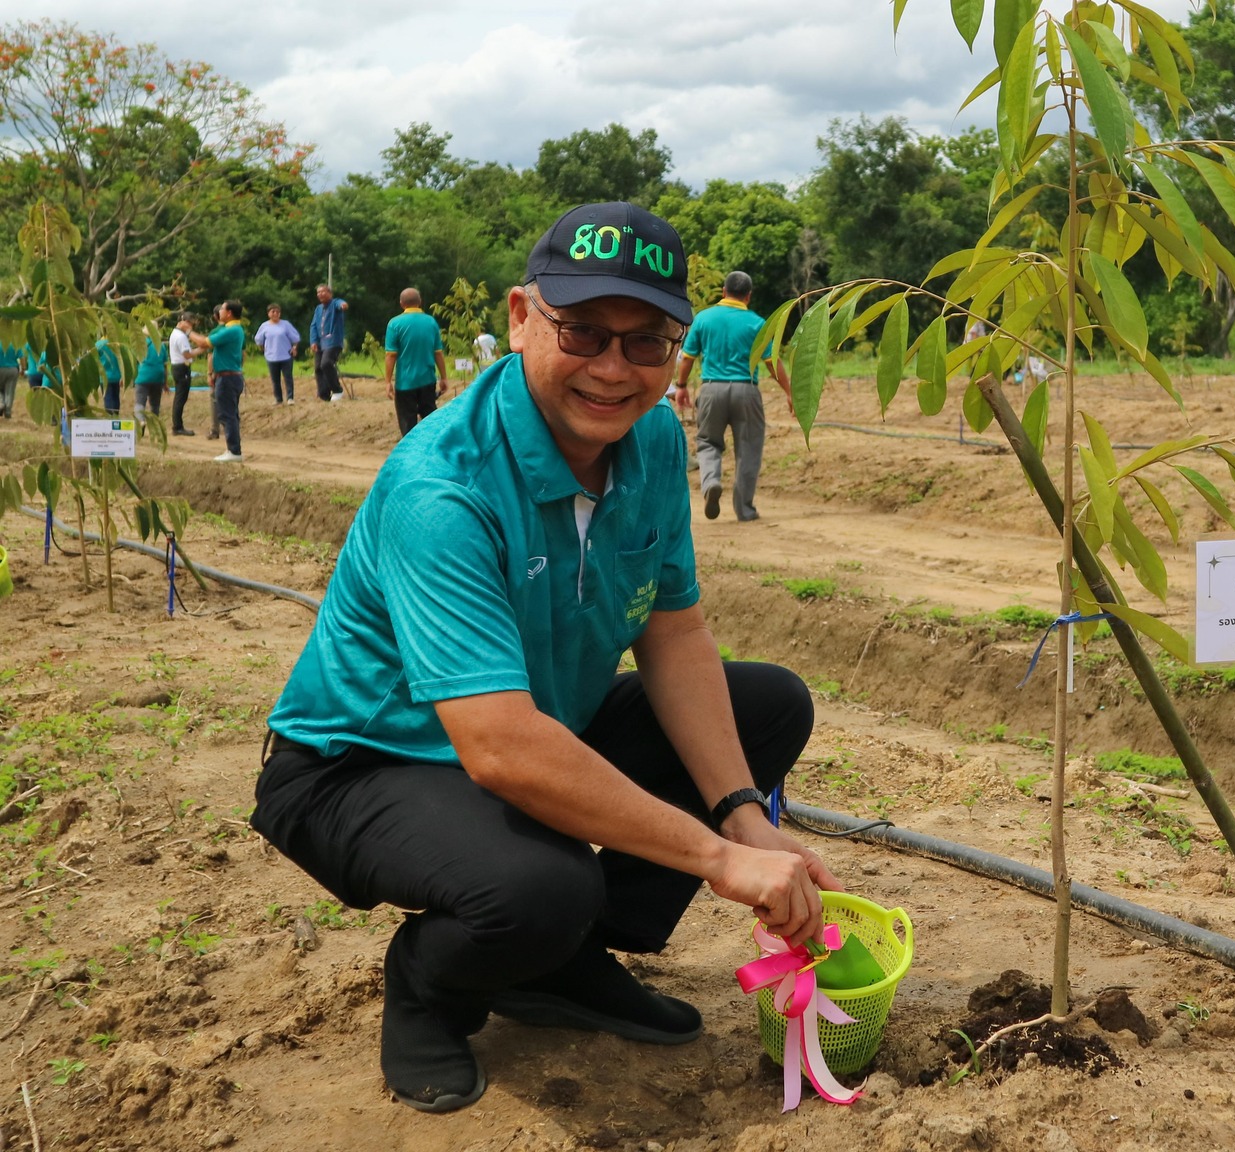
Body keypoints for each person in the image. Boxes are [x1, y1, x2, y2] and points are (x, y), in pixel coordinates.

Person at [252, 201, 833, 1115]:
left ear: (678, 352)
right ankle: (430, 986)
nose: (613, 369)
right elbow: (500, 749)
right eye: (584, 332)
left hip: (537, 720)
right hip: (363, 765)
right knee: (540, 885)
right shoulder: (442, 488)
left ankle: (558, 961)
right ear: (521, 316)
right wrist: (720, 860)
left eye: (646, 342)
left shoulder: (647, 440)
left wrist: (741, 815)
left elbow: (674, 632)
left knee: (767, 705)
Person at [679, 272, 791, 522]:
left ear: (723, 291)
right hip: (746, 391)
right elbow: (772, 362)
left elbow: (687, 357)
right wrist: (790, 392)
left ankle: (711, 483)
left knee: (708, 442)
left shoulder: (704, 318)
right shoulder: (757, 323)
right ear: (748, 296)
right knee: (748, 449)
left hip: (711, 389)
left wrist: (682, 386)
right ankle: (745, 510)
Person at [384, 288, 449, 436]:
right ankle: (432, 449)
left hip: (405, 382)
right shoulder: (431, 322)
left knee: (407, 422)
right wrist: (444, 377)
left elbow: (391, 355)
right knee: (430, 419)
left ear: (401, 304)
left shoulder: (395, 324)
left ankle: (410, 453)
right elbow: (438, 353)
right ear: (420, 302)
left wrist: (388, 381)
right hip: (427, 380)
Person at [190, 300, 249, 463]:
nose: (219, 312)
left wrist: (188, 331)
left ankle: (234, 451)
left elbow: (203, 342)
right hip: (232, 376)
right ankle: (233, 449)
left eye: (222, 309)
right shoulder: (235, 329)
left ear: (229, 313)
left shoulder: (231, 330)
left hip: (227, 378)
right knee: (231, 414)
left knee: (226, 414)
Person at [309, 284, 350, 402]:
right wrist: (313, 341)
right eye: (318, 292)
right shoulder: (318, 309)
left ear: (329, 293)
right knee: (318, 367)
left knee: (326, 363)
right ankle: (324, 395)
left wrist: (343, 305)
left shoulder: (335, 303)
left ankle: (337, 390)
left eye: (323, 291)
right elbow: (313, 326)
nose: (320, 294)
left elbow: (341, 303)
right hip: (320, 343)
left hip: (333, 342)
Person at [256, 304, 302, 405]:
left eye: (277, 312)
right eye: (273, 312)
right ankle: (278, 399)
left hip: (286, 355)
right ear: (268, 313)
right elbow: (259, 341)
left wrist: (294, 347)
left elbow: (295, 338)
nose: (275, 314)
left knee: (288, 377)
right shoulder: (264, 326)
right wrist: (265, 350)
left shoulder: (285, 324)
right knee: (275, 379)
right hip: (271, 356)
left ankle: (290, 397)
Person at [168, 314, 199, 436]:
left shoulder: (176, 334)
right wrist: (200, 349)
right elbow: (187, 354)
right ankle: (177, 426)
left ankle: (177, 425)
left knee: (179, 397)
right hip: (182, 367)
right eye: (190, 324)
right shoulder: (180, 336)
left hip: (177, 367)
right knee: (181, 397)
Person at [132, 331, 168, 416]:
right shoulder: (161, 346)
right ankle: (154, 423)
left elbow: (133, 362)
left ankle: (140, 422)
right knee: (155, 404)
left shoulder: (140, 345)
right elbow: (165, 366)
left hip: (142, 376)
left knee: (140, 402)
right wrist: (165, 383)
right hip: (158, 377)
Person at [94, 334, 125, 412]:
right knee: (115, 398)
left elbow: (94, 360)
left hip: (104, 377)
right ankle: (116, 416)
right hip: (117, 376)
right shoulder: (118, 344)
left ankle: (110, 418)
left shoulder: (98, 345)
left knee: (108, 398)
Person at [0, 340, 20, 420]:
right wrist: (23, 368)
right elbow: (22, 357)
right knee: (9, 391)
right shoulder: (14, 344)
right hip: (12, 370)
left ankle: (1, 404)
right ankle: (7, 411)